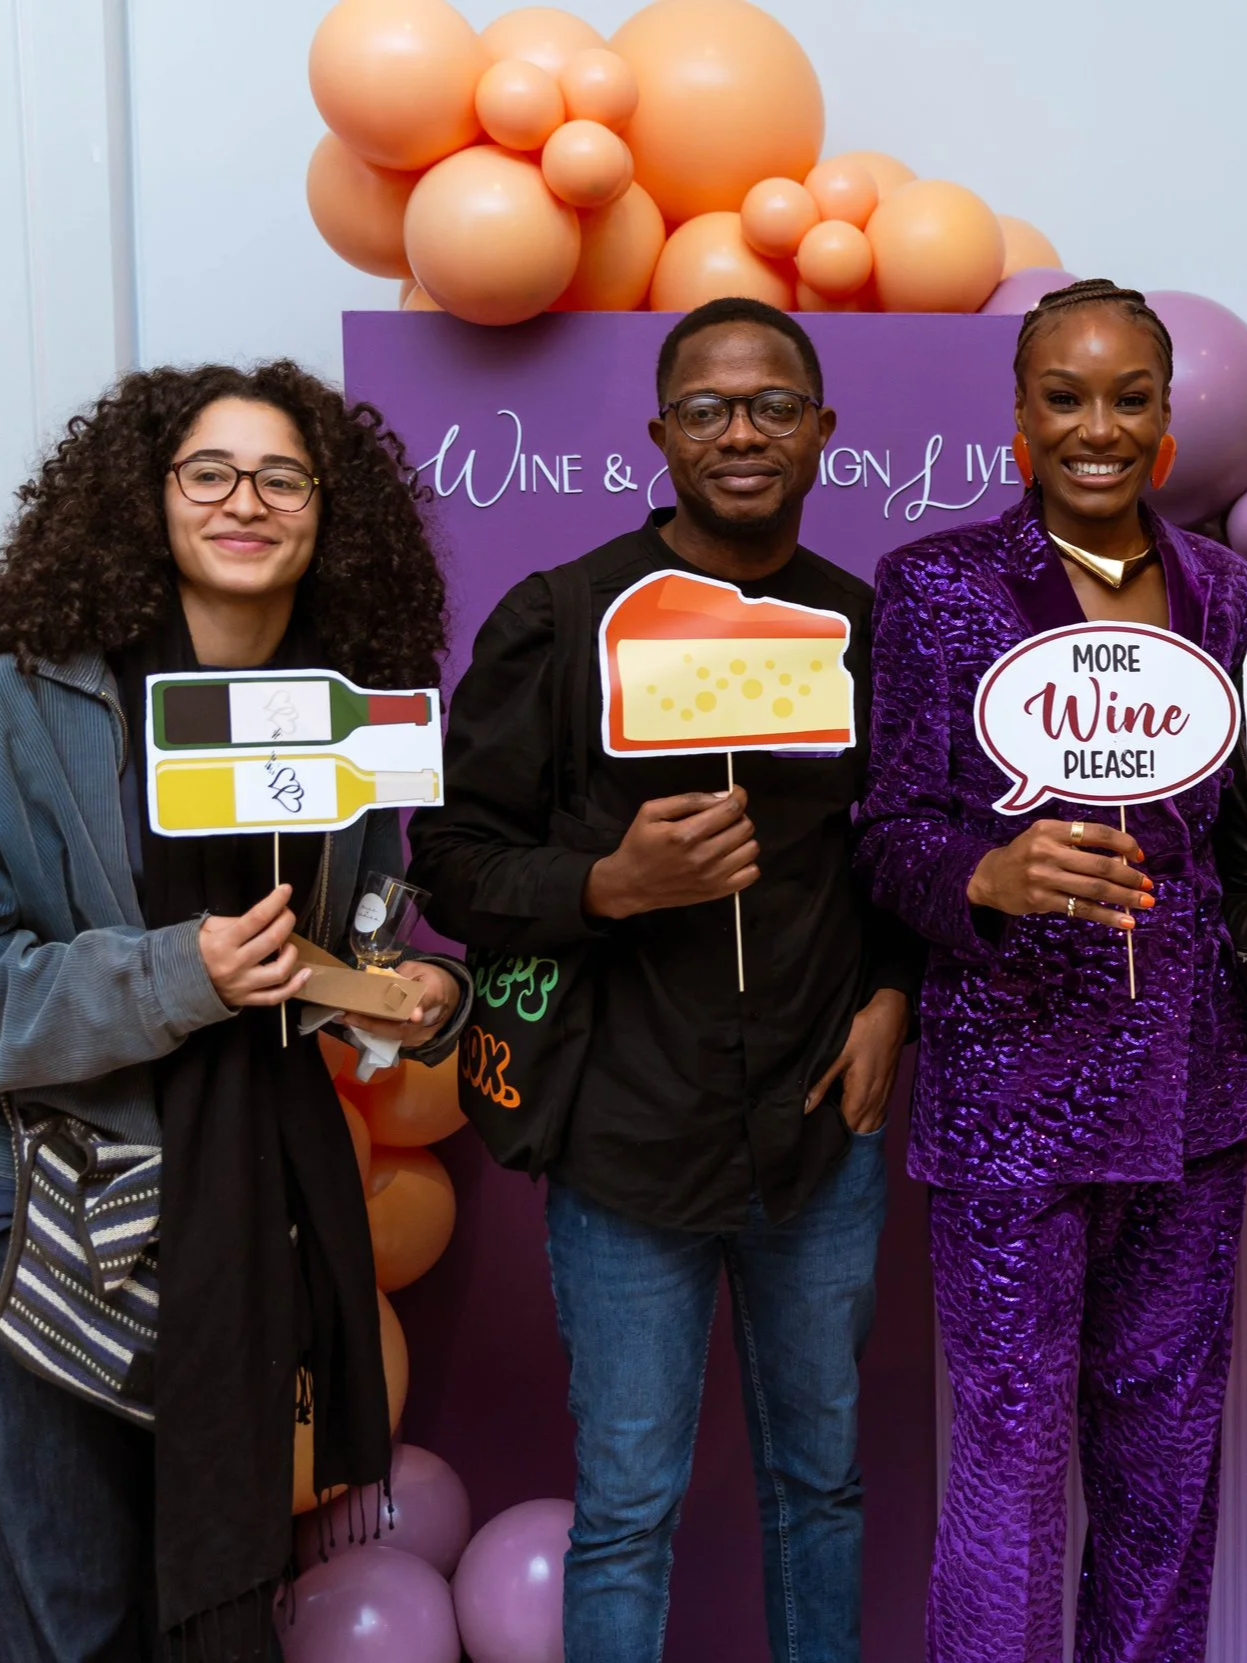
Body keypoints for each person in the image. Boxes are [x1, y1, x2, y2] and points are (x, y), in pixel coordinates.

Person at [408, 297, 920, 1663]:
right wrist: (607, 883)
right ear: (660, 435)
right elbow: (446, 862)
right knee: (628, 1507)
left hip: (818, 1134)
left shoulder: (863, 629)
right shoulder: (562, 615)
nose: (740, 432)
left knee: (823, 1484)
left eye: (771, 406)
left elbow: (900, 851)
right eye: (706, 408)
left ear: (821, 431)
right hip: (627, 1138)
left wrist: (891, 999)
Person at [0, 362, 471, 1663]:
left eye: (281, 477)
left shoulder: (348, 712)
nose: (244, 502)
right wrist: (178, 975)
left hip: (259, 1219)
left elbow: (355, 937)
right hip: (57, 1239)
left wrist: (411, 993)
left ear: (329, 513)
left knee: (218, 1605)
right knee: (72, 1619)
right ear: (146, 497)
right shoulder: (28, 697)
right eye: (208, 472)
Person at [855, 279, 1247, 1662]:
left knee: (1165, 1466)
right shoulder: (937, 585)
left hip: (1194, 1096)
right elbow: (887, 830)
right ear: (1018, 418)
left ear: (1164, 417)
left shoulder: (1227, 595)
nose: (1097, 427)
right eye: (1064, 397)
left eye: (1127, 398)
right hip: (1012, 1090)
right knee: (1011, 1457)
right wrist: (985, 873)